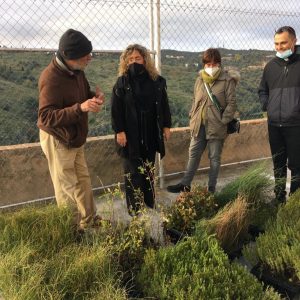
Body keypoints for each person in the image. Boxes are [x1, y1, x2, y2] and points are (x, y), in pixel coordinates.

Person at [38, 29, 105, 231]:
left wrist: (93, 97)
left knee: (82, 181)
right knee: (66, 188)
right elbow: (45, 117)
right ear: (69, 56)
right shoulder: (51, 78)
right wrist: (81, 108)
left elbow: (82, 94)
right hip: (59, 140)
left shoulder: (76, 71)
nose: (89, 58)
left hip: (74, 138)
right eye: (85, 55)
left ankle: (90, 220)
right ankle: (72, 231)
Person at [111, 44, 171, 216]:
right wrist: (119, 131)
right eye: (130, 59)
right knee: (132, 172)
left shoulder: (156, 81)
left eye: (137, 58)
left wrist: (166, 126)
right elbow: (116, 110)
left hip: (150, 133)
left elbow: (164, 105)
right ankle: (135, 209)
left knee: (149, 170)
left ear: (145, 59)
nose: (134, 62)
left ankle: (149, 202)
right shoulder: (122, 83)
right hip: (130, 135)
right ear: (125, 62)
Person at [167, 48, 239, 194]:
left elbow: (232, 103)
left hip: (217, 126)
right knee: (193, 154)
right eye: (207, 64)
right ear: (203, 64)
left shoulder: (227, 80)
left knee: (214, 158)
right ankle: (185, 184)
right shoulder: (200, 80)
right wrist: (191, 115)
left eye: (214, 64)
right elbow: (195, 100)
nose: (210, 67)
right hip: (199, 125)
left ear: (219, 64)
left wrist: (223, 121)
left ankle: (211, 188)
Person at [258, 26, 300, 203]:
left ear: (294, 41)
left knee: (297, 166)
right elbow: (262, 90)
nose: (279, 47)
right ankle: (279, 198)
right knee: (278, 165)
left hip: (296, 124)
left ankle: (295, 202)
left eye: (283, 42)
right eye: (276, 44)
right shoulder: (270, 67)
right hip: (274, 124)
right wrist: (267, 105)